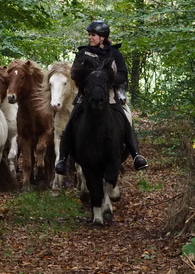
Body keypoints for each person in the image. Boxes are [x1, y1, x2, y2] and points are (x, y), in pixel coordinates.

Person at [55, 20, 148, 175]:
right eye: (90, 35)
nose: (90, 38)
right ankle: (62, 159)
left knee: (125, 119)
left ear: (103, 38)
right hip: (87, 95)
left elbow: (123, 75)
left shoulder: (115, 54)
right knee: (71, 121)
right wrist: (92, 80)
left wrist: (106, 79)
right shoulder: (82, 53)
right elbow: (74, 73)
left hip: (109, 94)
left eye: (93, 35)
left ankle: (136, 155)